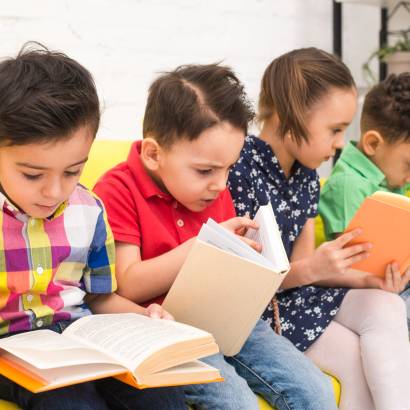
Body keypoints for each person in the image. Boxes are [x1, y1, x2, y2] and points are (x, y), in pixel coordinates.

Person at [93, 63, 337, 410]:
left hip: (228, 319)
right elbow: (128, 284)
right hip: (164, 329)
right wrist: (199, 248)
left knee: (315, 391)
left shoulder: (211, 190)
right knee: (235, 402)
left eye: (229, 168)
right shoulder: (118, 189)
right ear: (153, 153)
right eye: (206, 170)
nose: (221, 185)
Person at [0, 43, 186, 410]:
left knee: (160, 395)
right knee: (71, 402)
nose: (54, 191)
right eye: (33, 174)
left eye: (72, 171)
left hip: (78, 337)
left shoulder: (89, 210)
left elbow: (97, 296)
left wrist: (145, 318)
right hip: (10, 347)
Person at [228, 48, 410, 410]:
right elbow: (245, 284)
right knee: (354, 359)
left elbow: (308, 267)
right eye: (335, 130)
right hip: (264, 312)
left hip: (300, 297)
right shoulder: (238, 168)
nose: (341, 143)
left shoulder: (307, 176)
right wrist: (314, 269)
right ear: (287, 115)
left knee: (386, 303)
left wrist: (369, 280)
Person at [319, 72, 410, 329]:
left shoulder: (394, 177)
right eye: (408, 164)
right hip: (367, 290)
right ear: (372, 143)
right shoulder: (349, 185)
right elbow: (358, 264)